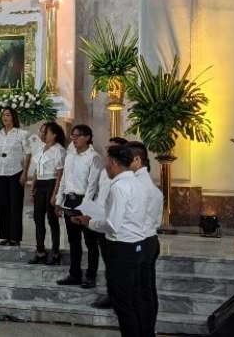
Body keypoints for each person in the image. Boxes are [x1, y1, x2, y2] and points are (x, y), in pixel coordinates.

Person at [73, 144, 149, 337]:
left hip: (121, 248)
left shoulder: (119, 187)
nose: (105, 166)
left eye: (107, 161)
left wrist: (90, 222)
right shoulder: (138, 183)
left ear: (114, 163)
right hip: (137, 245)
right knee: (134, 302)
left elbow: (113, 224)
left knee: (123, 305)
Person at [55, 125, 103, 288]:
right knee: (73, 240)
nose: (73, 139)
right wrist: (59, 201)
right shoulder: (70, 156)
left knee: (90, 241)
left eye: (77, 136)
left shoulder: (94, 157)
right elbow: (64, 179)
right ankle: (74, 273)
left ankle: (90, 276)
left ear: (88, 137)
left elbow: (92, 185)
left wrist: (85, 209)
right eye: (72, 136)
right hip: (69, 200)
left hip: (85, 202)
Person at [126, 141, 163, 336]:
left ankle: (146, 332)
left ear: (138, 160)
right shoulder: (138, 183)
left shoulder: (140, 186)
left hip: (142, 242)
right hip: (145, 241)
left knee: (143, 293)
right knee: (142, 291)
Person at [89, 136, 128, 310]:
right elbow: (98, 191)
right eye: (108, 148)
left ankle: (117, 296)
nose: (108, 152)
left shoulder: (125, 174)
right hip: (100, 218)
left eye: (112, 149)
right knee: (107, 260)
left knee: (116, 263)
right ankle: (111, 293)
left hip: (114, 223)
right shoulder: (105, 170)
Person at [0, 108, 31, 247]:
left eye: (8, 115)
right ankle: (4, 236)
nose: (5, 117)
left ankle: (15, 237)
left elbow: (28, 153)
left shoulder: (22, 134)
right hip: (0, 171)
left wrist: (25, 172)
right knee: (2, 205)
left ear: (13, 117)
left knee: (15, 205)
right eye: (3, 115)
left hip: (16, 171)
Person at [28, 122, 66, 265]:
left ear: (54, 135)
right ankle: (40, 251)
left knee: (52, 219)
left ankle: (55, 252)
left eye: (46, 132)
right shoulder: (40, 148)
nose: (42, 134)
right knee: (38, 219)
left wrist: (55, 194)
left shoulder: (59, 150)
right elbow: (37, 170)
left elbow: (60, 174)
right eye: (42, 131)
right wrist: (32, 188)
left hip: (51, 184)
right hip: (40, 184)